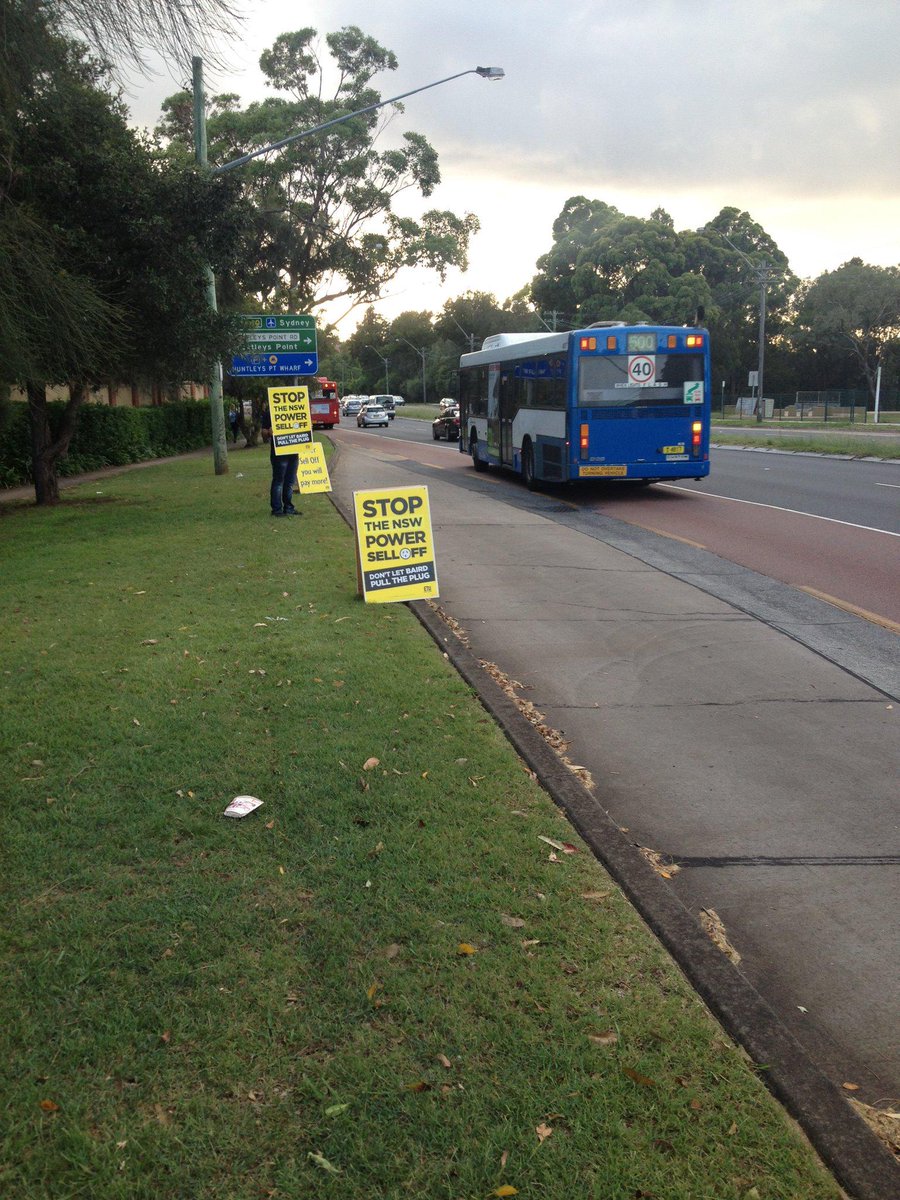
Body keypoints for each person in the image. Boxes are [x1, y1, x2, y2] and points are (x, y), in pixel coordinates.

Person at [260, 411, 300, 517]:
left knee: (290, 482)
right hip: (279, 453)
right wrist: (269, 432)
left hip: (294, 451)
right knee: (279, 482)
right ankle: (277, 510)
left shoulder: (296, 409)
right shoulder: (271, 410)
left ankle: (289, 508)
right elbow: (263, 432)